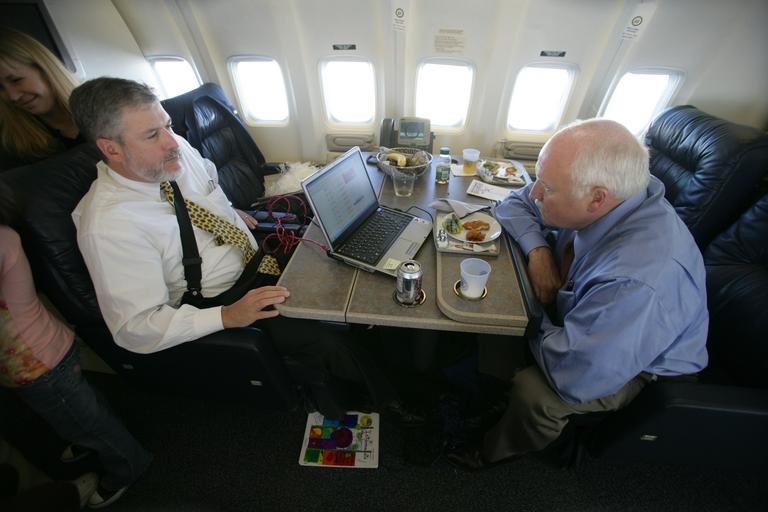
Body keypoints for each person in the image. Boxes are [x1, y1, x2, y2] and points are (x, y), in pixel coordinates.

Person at [69, 77, 396, 418]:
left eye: (167, 125)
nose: (171, 141)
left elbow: (208, 184)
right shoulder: (109, 226)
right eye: (152, 135)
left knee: (346, 269)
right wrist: (226, 316)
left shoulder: (176, 151)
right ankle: (392, 401)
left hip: (258, 260)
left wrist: (227, 211)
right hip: (223, 298)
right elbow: (134, 329)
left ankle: (390, 344)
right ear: (111, 149)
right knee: (329, 338)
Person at [447, 119, 709, 470]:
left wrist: (526, 316)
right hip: (592, 321)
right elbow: (514, 203)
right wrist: (538, 251)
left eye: (546, 188)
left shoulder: (637, 280)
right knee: (501, 305)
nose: (535, 193)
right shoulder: (615, 196)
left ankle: (496, 450)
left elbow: (575, 374)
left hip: (635, 365)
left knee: (534, 393)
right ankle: (493, 389)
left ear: (597, 199)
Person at [0, 180, 152, 508]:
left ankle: (127, 465)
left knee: (81, 418)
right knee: (80, 406)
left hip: (35, 361)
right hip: (42, 349)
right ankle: (94, 434)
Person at [0, 28, 83, 172]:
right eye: (0, 88)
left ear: (45, 69)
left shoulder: (109, 109)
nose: (12, 96)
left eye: (16, 80)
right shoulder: (12, 145)